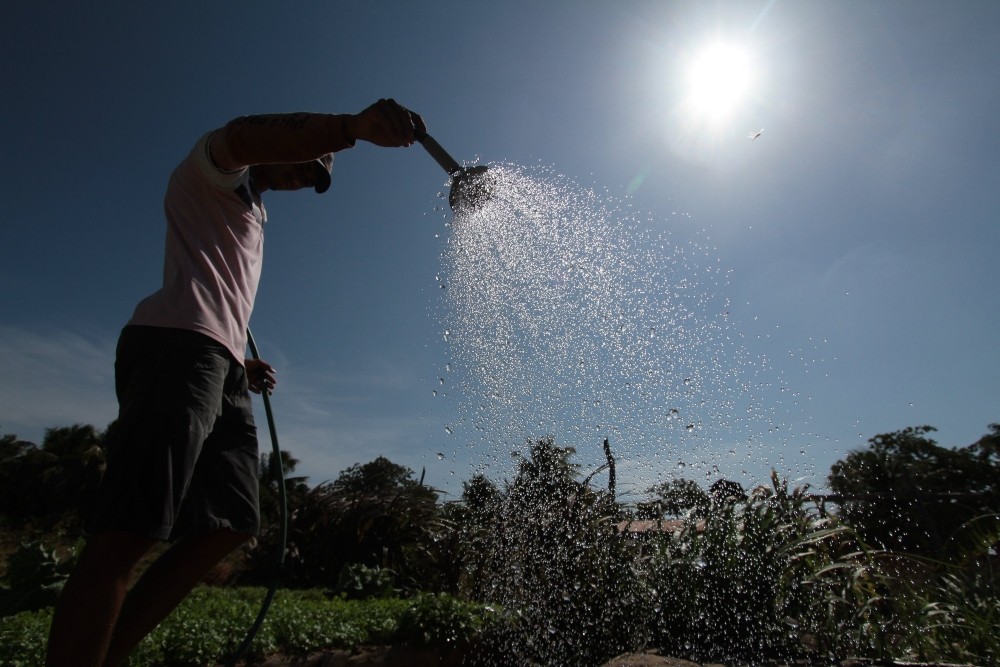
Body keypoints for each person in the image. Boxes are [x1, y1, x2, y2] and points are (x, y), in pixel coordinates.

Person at [46, 98, 425, 667]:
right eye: (303, 160)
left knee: (233, 523)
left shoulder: (253, 214)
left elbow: (219, 290)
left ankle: (110, 654)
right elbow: (243, 136)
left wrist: (242, 359)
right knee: (129, 531)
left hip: (220, 362)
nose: (304, 175)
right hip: (176, 345)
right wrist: (348, 129)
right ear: (281, 145)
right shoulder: (213, 172)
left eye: (315, 176)